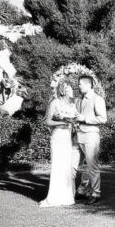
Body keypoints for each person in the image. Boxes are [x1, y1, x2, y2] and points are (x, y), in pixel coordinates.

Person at [39, 79, 77, 207]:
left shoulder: (72, 104)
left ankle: (66, 197)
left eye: (71, 88)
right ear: (63, 91)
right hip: (58, 136)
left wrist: (73, 122)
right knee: (57, 166)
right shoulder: (55, 102)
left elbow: (76, 118)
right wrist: (62, 122)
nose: (71, 91)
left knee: (66, 166)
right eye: (69, 89)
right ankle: (54, 197)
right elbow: (48, 121)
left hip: (67, 137)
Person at [72, 74, 107, 204]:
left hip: (91, 135)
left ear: (88, 85)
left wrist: (85, 119)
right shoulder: (78, 100)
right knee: (76, 165)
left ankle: (96, 193)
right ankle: (81, 190)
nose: (78, 86)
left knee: (92, 165)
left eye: (80, 84)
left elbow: (103, 119)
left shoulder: (97, 99)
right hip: (77, 136)